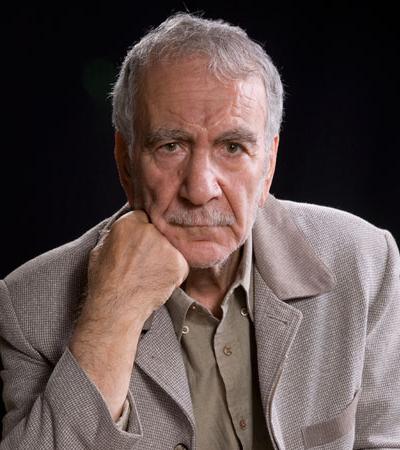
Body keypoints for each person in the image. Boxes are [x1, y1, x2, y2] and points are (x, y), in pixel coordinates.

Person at [0, 13, 399, 450]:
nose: (200, 188)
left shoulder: (365, 262)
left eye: (233, 147)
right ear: (125, 163)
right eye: (171, 146)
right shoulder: (27, 307)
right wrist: (113, 313)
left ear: (268, 164)